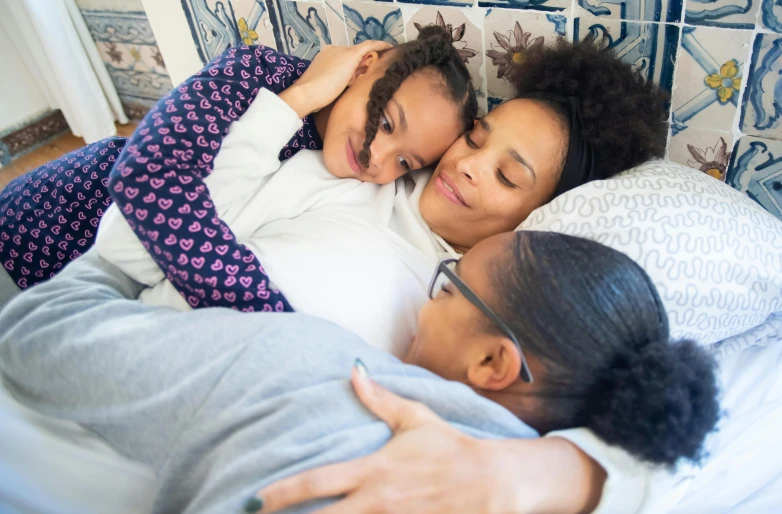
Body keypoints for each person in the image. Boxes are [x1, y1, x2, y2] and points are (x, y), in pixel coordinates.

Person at [0, 231, 719, 514]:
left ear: (494, 362)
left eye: (447, 286)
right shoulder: (565, 481)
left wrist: (112, 253)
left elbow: (32, 334)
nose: (422, 305)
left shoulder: (321, 370)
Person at [93, 38, 668, 357]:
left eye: (507, 177)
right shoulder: (343, 178)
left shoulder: (482, 301)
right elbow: (139, 246)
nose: (467, 166)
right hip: (145, 351)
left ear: (538, 215)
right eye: (474, 137)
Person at [0, 27, 475, 291]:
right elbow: (147, 193)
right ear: (363, 68)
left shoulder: (348, 182)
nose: (378, 158)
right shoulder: (255, 75)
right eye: (387, 122)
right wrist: (301, 97)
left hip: (83, 284)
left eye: (406, 163)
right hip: (44, 221)